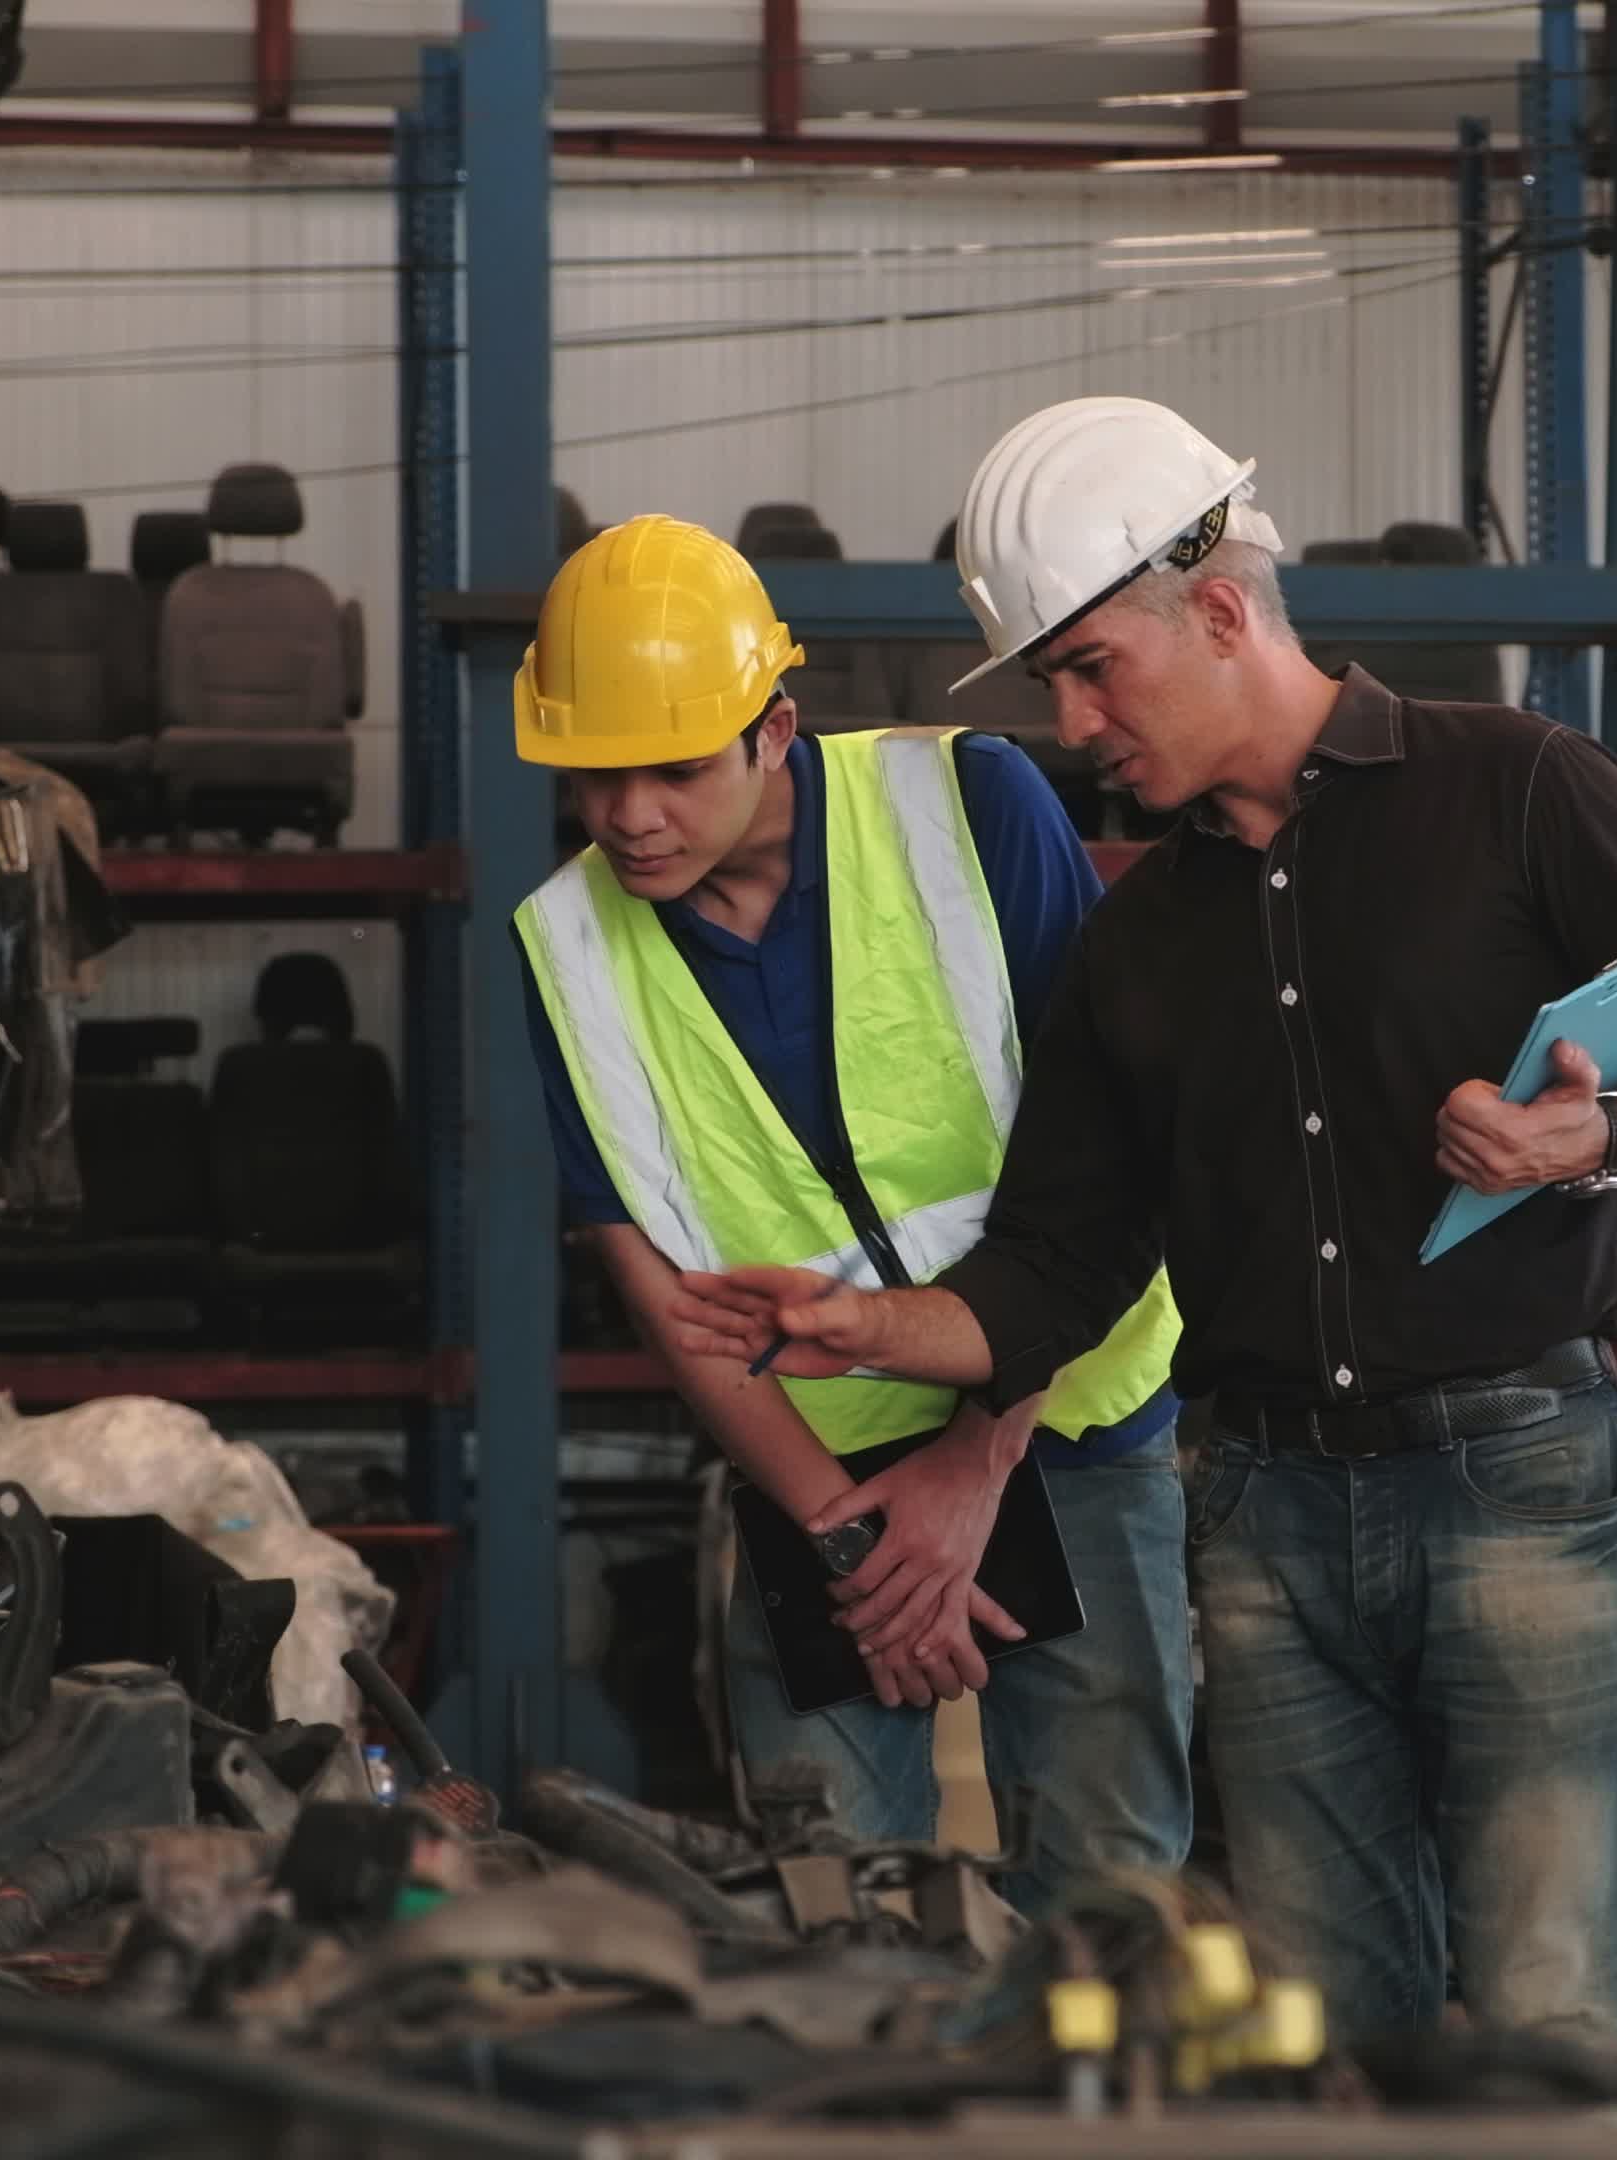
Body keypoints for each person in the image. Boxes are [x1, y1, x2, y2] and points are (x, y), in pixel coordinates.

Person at [661, 398, 1617, 2047]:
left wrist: (1602, 1132)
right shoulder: (1139, 943)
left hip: (1521, 1479)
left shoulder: (1516, 786)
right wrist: (867, 1327)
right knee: (1321, 2028)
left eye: (1091, 671)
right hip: (1267, 1515)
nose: (1072, 728)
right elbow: (1059, 1264)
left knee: (1557, 2008)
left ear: (1217, 608)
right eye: (1050, 685)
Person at [508, 512, 1191, 1918]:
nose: (630, 816)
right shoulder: (565, 944)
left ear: (775, 729)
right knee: (826, 1906)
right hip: (818, 1485)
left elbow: (1119, 1160)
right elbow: (659, 1284)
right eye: (594, 776)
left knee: (1110, 1899)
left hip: (1067, 1425)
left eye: (674, 768)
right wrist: (848, 1535)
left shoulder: (973, 807)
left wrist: (972, 1464)